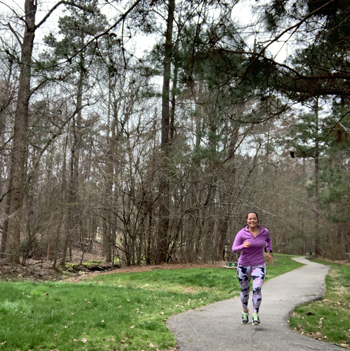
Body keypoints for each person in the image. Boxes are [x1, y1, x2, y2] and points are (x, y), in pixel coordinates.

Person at [232, 212, 272, 325]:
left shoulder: (264, 232)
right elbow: (234, 249)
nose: (252, 221)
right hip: (244, 265)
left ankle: (255, 314)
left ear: (257, 220)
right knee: (245, 290)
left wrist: (269, 251)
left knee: (257, 288)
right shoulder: (241, 233)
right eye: (250, 219)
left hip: (259, 265)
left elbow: (268, 241)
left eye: (254, 219)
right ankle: (245, 311)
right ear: (247, 221)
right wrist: (242, 246)